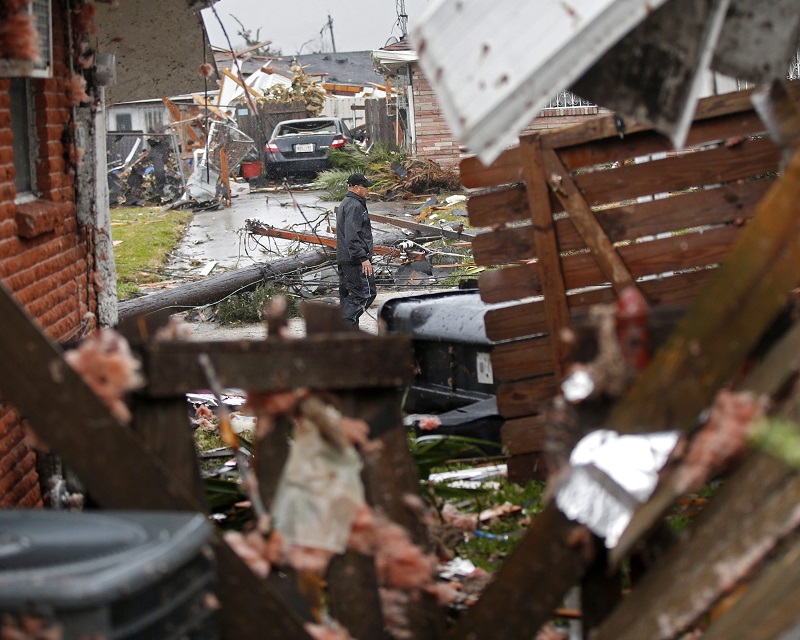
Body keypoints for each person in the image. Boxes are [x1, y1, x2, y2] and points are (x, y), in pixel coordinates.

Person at [336, 173, 376, 326]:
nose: (367, 190)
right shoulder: (354, 206)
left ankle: (350, 332)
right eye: (365, 187)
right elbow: (353, 236)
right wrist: (363, 258)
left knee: (348, 297)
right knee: (366, 295)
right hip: (355, 261)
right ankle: (344, 324)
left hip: (345, 258)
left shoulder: (347, 203)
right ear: (356, 187)